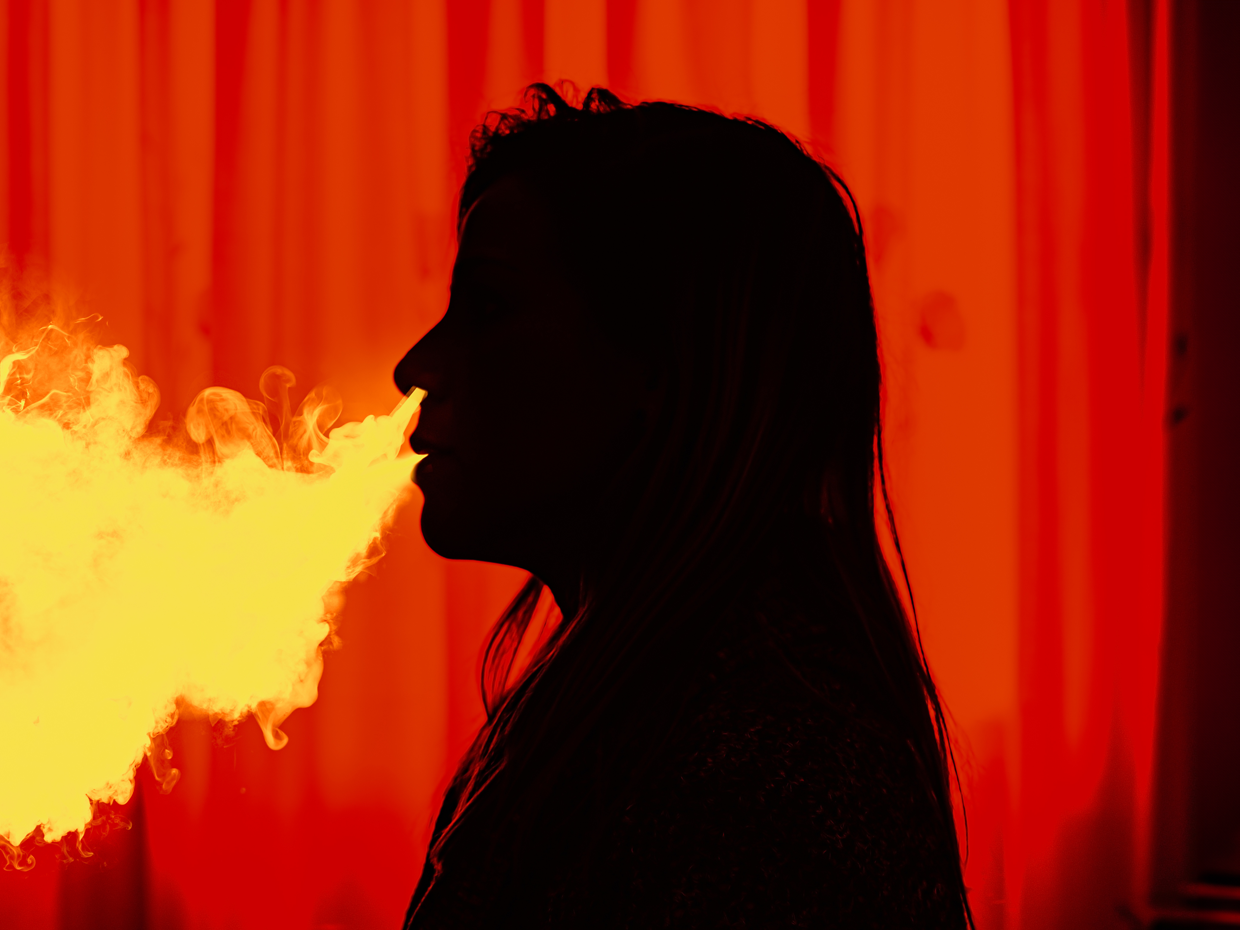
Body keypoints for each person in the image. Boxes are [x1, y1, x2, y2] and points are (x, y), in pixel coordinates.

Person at [393, 84, 972, 928]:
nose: (418, 366)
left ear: (662, 367)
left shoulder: (767, 777)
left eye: (489, 307)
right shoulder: (646, 711)